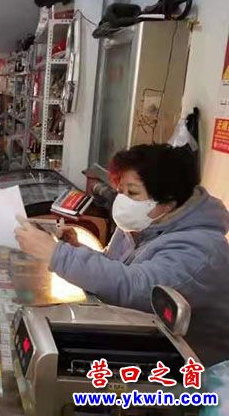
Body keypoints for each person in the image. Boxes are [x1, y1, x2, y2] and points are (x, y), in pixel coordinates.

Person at [15, 144, 229, 366]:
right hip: (143, 346)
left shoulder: (200, 249)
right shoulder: (143, 224)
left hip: (193, 372)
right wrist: (75, 247)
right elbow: (116, 267)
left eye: (133, 193)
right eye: (120, 191)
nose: (123, 201)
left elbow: (134, 287)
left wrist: (57, 254)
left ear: (168, 201)